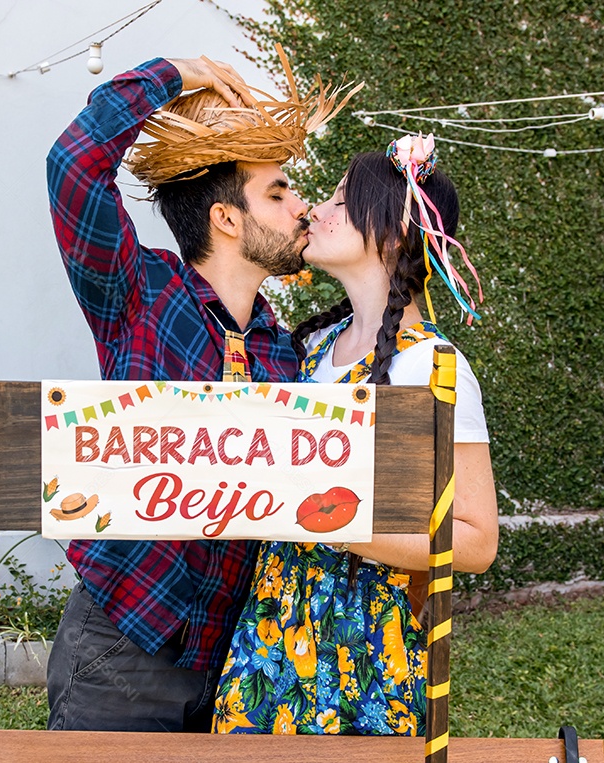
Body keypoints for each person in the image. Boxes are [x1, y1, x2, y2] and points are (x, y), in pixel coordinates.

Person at [45, 52, 359, 732]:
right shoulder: (140, 293)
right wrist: (175, 73)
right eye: (277, 193)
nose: (300, 206)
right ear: (225, 219)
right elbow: (72, 165)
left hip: (237, 664)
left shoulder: (286, 352)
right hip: (122, 651)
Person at [213, 134, 499, 735]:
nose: (317, 210)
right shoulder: (310, 351)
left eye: (342, 202)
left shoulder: (435, 367)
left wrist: (340, 528)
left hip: (367, 637)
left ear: (393, 234)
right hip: (274, 617)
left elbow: (476, 541)